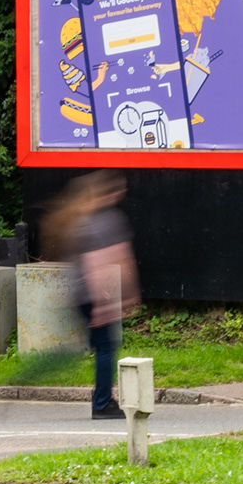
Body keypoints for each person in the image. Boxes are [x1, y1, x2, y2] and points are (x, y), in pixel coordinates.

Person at [64, 171, 139, 419]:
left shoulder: (82, 219)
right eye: (119, 188)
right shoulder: (108, 220)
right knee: (107, 347)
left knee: (102, 345)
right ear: (110, 192)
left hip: (81, 294)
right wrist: (108, 304)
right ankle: (102, 403)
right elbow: (103, 262)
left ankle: (103, 398)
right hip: (97, 295)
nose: (122, 192)